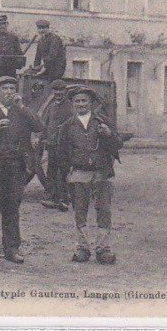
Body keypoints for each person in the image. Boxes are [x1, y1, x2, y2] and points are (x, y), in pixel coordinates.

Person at [0, 76, 44, 264]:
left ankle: (12, 249)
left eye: (12, 88)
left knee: (12, 209)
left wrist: (22, 107)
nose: (9, 92)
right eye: (5, 88)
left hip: (15, 168)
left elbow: (38, 126)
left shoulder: (21, 112)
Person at [58, 87, 123, 264]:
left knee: (104, 211)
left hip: (102, 173)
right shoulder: (67, 126)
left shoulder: (103, 122)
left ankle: (103, 249)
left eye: (84, 100)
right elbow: (61, 153)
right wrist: (67, 175)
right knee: (80, 211)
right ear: (72, 104)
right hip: (79, 174)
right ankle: (82, 248)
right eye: (77, 101)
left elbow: (117, 144)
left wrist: (109, 135)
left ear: (91, 103)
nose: (80, 104)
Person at [40, 79, 74, 211]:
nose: (58, 93)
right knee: (51, 170)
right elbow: (46, 124)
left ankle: (64, 199)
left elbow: (72, 125)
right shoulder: (52, 106)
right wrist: (40, 137)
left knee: (64, 171)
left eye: (61, 90)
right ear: (52, 91)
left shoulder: (69, 108)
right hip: (52, 144)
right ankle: (52, 198)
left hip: (64, 145)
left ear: (65, 91)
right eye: (56, 90)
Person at [0, 15, 25, 80]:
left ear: (7, 24)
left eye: (3, 23)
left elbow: (19, 53)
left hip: (10, 69)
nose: (1, 26)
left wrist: (20, 60)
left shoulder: (14, 38)